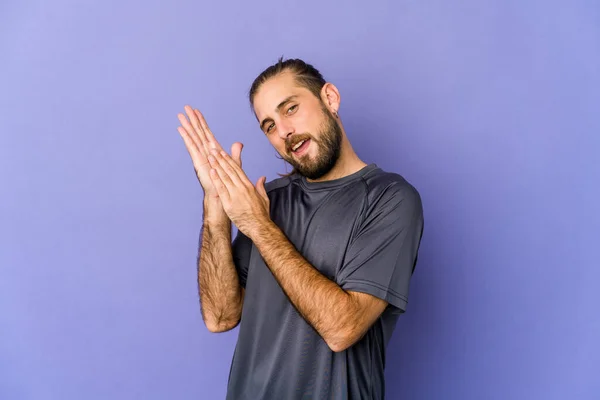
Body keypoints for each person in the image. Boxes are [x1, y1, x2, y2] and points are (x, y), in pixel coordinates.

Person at [177, 58, 424, 400]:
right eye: (269, 125)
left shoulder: (390, 198)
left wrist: (258, 226)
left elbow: (343, 329)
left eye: (291, 108)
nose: (284, 131)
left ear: (330, 98)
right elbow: (220, 316)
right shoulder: (266, 202)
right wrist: (215, 209)